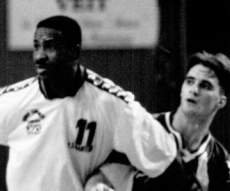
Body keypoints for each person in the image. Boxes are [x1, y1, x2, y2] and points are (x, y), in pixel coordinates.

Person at [0, 15, 187, 191]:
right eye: (36, 46)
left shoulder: (113, 105)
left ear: (74, 52)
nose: (39, 56)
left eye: (50, 46)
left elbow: (165, 157)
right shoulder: (12, 100)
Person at [84, 51, 230, 191]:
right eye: (190, 81)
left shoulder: (221, 163)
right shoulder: (144, 128)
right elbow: (101, 178)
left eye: (205, 86)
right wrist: (97, 185)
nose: (194, 90)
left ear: (221, 101)